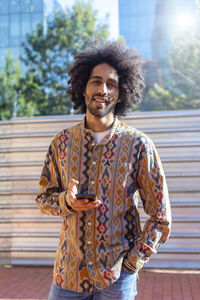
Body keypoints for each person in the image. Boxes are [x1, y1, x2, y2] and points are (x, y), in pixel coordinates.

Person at [36, 41, 171, 300]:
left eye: (112, 84)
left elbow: (161, 216)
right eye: (96, 82)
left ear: (121, 94)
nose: (103, 90)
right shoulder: (61, 142)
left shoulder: (139, 145)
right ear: (83, 88)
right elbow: (43, 199)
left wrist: (132, 263)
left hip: (116, 278)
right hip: (68, 274)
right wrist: (66, 201)